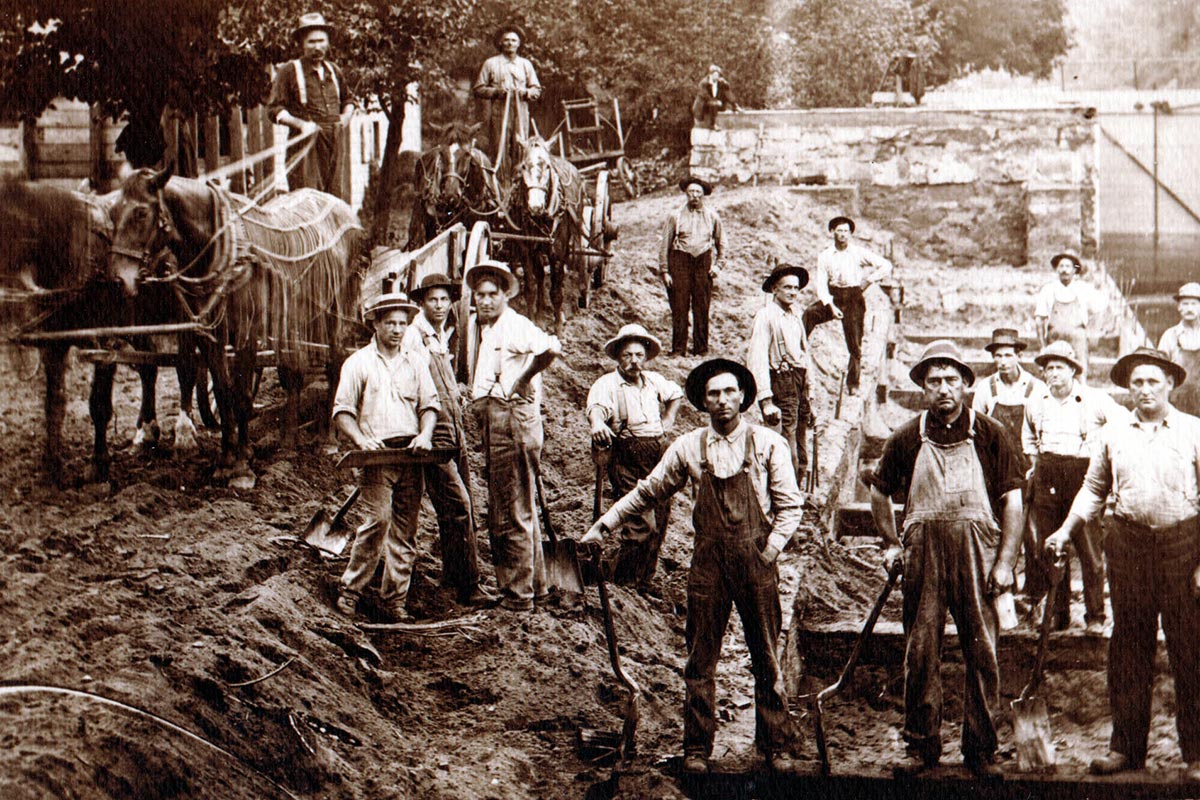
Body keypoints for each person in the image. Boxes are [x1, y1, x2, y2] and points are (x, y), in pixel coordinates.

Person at [581, 359, 803, 775]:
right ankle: (697, 749)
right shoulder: (688, 447)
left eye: (729, 392)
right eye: (713, 394)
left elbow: (791, 507)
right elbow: (648, 491)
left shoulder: (769, 444)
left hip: (756, 560)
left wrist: (770, 551)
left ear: (742, 397)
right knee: (700, 659)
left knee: (767, 654)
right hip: (708, 564)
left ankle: (775, 743)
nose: (722, 401)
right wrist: (604, 525)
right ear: (703, 400)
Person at [867, 340, 1024, 778]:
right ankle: (921, 746)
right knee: (921, 650)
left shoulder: (990, 432)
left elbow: (1012, 500)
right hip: (924, 558)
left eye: (951, 380)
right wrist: (891, 543)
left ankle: (981, 749)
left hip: (978, 554)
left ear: (965, 384)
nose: (943, 390)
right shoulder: (906, 436)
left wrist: (1006, 562)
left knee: (983, 650)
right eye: (933, 381)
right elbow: (879, 491)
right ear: (922, 387)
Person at [1045, 348, 1200, 782]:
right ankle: (1126, 750)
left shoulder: (1193, 431)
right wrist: (1064, 530)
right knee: (1129, 648)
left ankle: (1196, 752)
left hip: (1183, 545)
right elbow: (1094, 488)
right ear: (1128, 388)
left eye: (1153, 381)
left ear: (1170, 383)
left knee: (1190, 648)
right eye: (1137, 383)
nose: (1145, 390)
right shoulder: (1113, 433)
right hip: (1128, 545)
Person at [331, 288, 439, 622]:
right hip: (376, 458)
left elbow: (429, 406)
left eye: (402, 323)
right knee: (377, 521)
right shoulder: (358, 363)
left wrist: (425, 434)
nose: (396, 329)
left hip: (411, 455)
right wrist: (361, 439)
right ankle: (350, 591)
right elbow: (342, 411)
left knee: (406, 530)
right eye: (389, 322)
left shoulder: (416, 362)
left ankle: (395, 601)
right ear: (375, 324)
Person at [463, 260, 561, 612]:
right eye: (480, 296)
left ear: (506, 295)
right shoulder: (490, 329)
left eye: (493, 295)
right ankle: (538, 586)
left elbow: (551, 348)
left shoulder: (515, 325)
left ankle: (517, 596)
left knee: (508, 509)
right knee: (522, 504)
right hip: (498, 417)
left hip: (511, 420)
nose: (486, 301)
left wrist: (523, 380)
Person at [401, 273, 496, 608]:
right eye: (432, 300)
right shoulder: (412, 336)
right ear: (421, 303)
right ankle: (468, 585)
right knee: (457, 507)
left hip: (453, 427)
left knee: (464, 501)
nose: (439, 306)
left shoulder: (438, 334)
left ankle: (454, 579)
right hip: (434, 432)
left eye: (444, 300)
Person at [1022, 341, 1122, 635]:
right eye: (1048, 368)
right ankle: (1057, 613)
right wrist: (1034, 463)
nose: (1053, 374)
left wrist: (1103, 455)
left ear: (1073, 371)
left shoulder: (1094, 399)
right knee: (1050, 545)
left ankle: (1095, 615)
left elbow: (1121, 425)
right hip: (1048, 474)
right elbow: (1028, 436)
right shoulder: (1036, 400)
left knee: (1089, 549)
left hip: (1084, 474)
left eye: (1059, 368)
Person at [586, 324, 683, 589]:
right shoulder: (607, 384)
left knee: (660, 519)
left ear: (646, 357)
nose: (633, 361)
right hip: (626, 456)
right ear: (618, 357)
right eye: (627, 355)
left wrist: (668, 418)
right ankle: (621, 579)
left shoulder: (654, 381)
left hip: (657, 455)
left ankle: (643, 579)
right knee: (641, 525)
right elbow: (596, 409)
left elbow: (676, 395)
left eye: (639, 355)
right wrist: (597, 424)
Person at [267, 12, 355, 197]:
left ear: (328, 42)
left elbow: (349, 100)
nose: (318, 47)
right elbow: (274, 109)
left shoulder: (334, 71)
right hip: (306, 146)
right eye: (311, 42)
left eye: (321, 41)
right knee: (307, 199)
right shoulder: (289, 71)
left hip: (335, 142)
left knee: (334, 199)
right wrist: (301, 124)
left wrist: (345, 118)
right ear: (301, 44)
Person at [803, 215, 892, 396]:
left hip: (853, 298)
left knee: (854, 342)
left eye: (845, 231)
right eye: (839, 230)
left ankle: (853, 383)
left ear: (850, 234)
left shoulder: (858, 253)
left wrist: (869, 280)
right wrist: (830, 306)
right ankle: (796, 351)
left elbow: (885, 265)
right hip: (833, 296)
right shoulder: (825, 256)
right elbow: (821, 285)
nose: (842, 234)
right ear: (832, 232)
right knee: (809, 313)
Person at [747, 262, 813, 485]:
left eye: (796, 288)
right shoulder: (766, 316)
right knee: (785, 444)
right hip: (781, 383)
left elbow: (804, 355)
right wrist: (766, 400)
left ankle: (798, 493)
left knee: (802, 442)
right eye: (787, 287)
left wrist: (809, 391)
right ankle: (784, 496)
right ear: (775, 289)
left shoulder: (795, 315)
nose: (793, 292)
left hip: (799, 383)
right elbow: (757, 359)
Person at [659, 177, 723, 356]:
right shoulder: (675, 216)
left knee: (701, 307)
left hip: (703, 263)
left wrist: (718, 266)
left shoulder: (712, 216)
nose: (694, 196)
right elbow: (665, 244)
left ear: (703, 195)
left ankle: (701, 349)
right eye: (691, 192)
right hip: (680, 262)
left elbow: (722, 244)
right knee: (679, 307)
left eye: (698, 192)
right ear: (686, 194)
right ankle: (678, 349)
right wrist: (664, 271)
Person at [971, 328, 1045, 472]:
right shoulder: (985, 387)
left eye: (1008, 355)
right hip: (995, 462)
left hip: (1027, 462)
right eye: (998, 356)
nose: (1003, 362)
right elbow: (976, 428)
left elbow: (1043, 431)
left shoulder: (1036, 388)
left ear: (1019, 356)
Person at [472, 25, 542, 159]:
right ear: (500, 43)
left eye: (514, 40)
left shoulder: (525, 64)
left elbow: (536, 90)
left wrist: (525, 92)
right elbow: (478, 88)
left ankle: (520, 179)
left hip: (520, 114)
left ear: (519, 44)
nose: (510, 43)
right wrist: (497, 92)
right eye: (507, 40)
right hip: (499, 114)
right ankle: (499, 179)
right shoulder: (491, 63)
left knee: (520, 149)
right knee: (499, 150)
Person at [1034, 251, 1103, 378]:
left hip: (1078, 339)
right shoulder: (1048, 290)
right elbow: (1039, 319)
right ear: (1057, 269)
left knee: (1079, 374)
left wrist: (1093, 335)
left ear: (1074, 270)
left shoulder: (1084, 289)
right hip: (1054, 339)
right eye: (1061, 266)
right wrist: (1042, 346)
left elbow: (1098, 312)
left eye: (1068, 266)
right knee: (1054, 374)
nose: (1064, 270)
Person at [1157, 282, 1200, 416]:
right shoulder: (1170, 336)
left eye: (1194, 304)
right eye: (1185, 304)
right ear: (1179, 307)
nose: (1189, 308)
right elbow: (1159, 371)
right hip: (1177, 402)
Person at [690, 64, 738, 130]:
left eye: (718, 75)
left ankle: (735, 106)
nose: (717, 77)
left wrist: (725, 83)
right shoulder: (703, 83)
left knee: (724, 92)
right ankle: (712, 125)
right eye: (715, 75)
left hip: (715, 104)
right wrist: (715, 101)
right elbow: (705, 96)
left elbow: (727, 91)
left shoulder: (719, 82)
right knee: (713, 104)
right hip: (703, 106)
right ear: (710, 75)